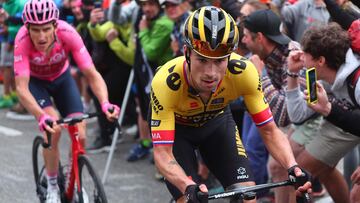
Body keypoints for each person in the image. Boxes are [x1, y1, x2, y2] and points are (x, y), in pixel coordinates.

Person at [150, 6, 311, 203]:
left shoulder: (244, 72)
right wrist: (187, 185)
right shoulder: (165, 82)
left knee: (247, 197)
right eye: (202, 59)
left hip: (217, 125)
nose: (211, 72)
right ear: (186, 53)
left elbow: (269, 130)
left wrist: (292, 166)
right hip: (178, 133)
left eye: (219, 61)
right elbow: (162, 153)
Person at [13, 0, 119, 202]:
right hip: (36, 84)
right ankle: (52, 185)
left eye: (46, 29)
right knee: (53, 127)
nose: (42, 36)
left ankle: (75, 180)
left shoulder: (68, 33)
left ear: (55, 25)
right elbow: (21, 88)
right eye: (36, 30)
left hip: (62, 80)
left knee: (81, 131)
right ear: (27, 28)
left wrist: (105, 103)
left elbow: (92, 73)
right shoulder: (22, 40)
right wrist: (41, 116)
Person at [286, 23, 360, 203]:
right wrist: (292, 74)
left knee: (300, 172)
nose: (301, 58)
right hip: (345, 117)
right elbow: (297, 116)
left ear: (320, 61)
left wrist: (327, 109)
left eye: (306, 55)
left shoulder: (357, 83)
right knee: (321, 171)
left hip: (348, 118)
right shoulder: (322, 75)